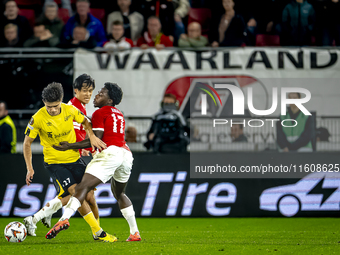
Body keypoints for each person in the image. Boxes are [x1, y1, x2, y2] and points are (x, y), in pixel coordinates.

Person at [23, 82, 116, 242]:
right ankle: (98, 232)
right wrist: (29, 168)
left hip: (75, 159)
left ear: (61, 101)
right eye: (48, 106)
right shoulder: (37, 118)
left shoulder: (70, 110)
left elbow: (86, 122)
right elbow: (27, 143)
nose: (52, 110)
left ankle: (34, 218)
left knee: (90, 197)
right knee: (75, 191)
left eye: (55, 106)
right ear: (44, 103)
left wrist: (91, 136)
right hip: (55, 163)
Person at [48, 83, 141, 242]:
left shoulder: (100, 112)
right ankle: (134, 233)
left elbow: (95, 139)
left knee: (82, 187)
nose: (96, 95)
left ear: (110, 100)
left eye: (101, 93)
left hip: (111, 153)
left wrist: (70, 146)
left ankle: (64, 218)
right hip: (126, 154)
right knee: (120, 193)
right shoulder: (118, 113)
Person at [68, 74, 95, 156]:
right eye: (84, 91)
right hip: (69, 154)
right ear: (76, 90)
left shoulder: (77, 104)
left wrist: (83, 148)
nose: (88, 94)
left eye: (90, 91)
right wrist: (91, 149)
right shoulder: (75, 107)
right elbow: (75, 133)